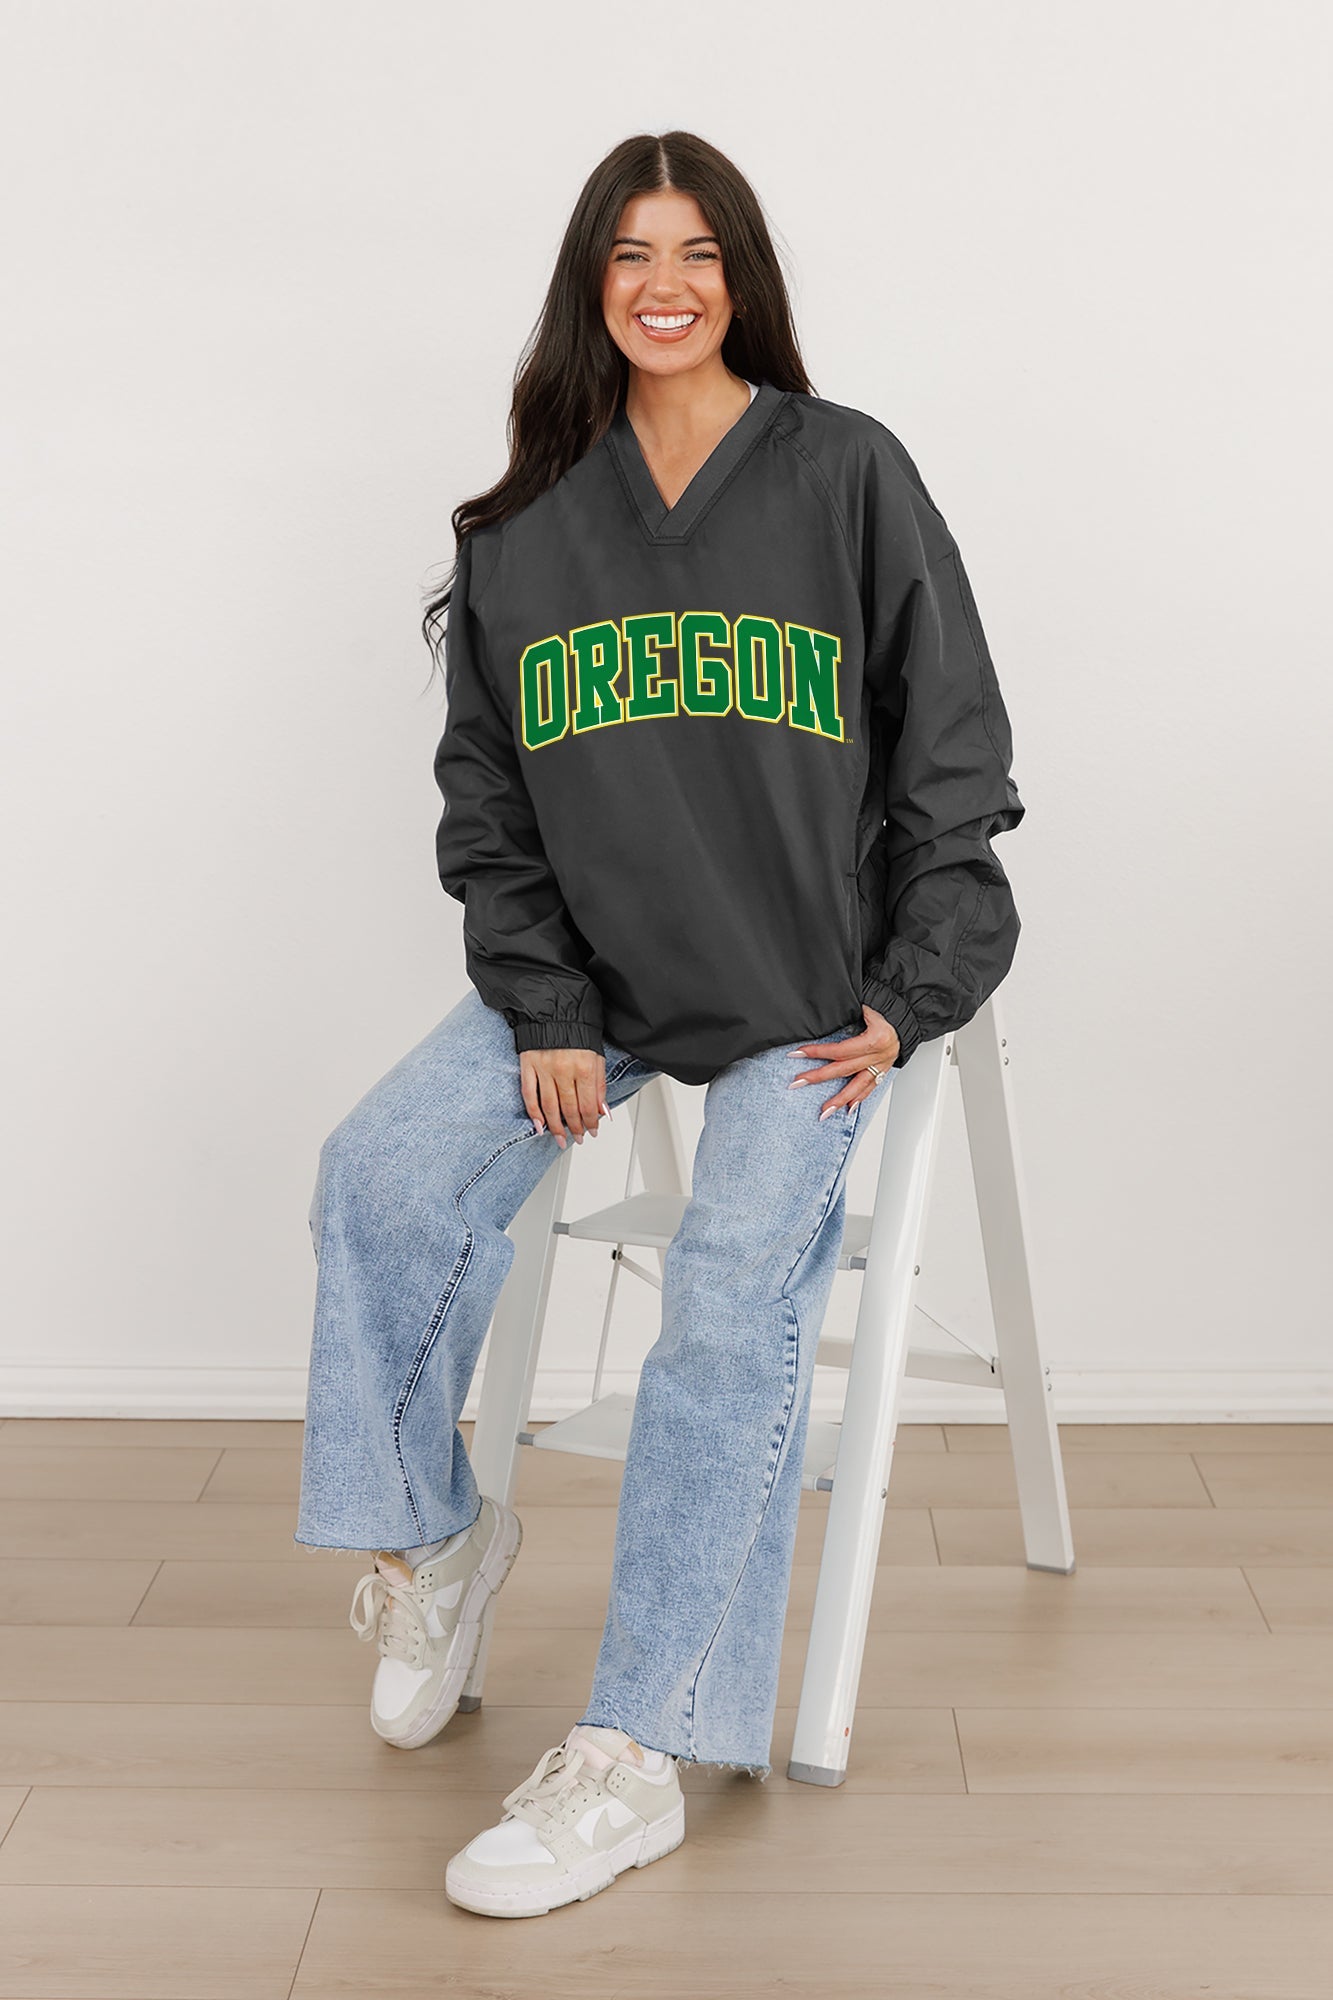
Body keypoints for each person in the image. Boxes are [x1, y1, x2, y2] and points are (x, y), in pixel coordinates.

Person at [295, 128, 1026, 1921]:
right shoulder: (524, 529)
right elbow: (488, 808)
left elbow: (953, 753)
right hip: (595, 989)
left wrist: (911, 989)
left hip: (808, 1002)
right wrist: (548, 1004)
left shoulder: (843, 472)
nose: (665, 285)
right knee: (379, 1171)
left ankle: (637, 1750)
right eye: (630, 255)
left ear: (740, 277)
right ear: (591, 287)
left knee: (722, 1297)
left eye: (697, 252)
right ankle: (437, 1539)